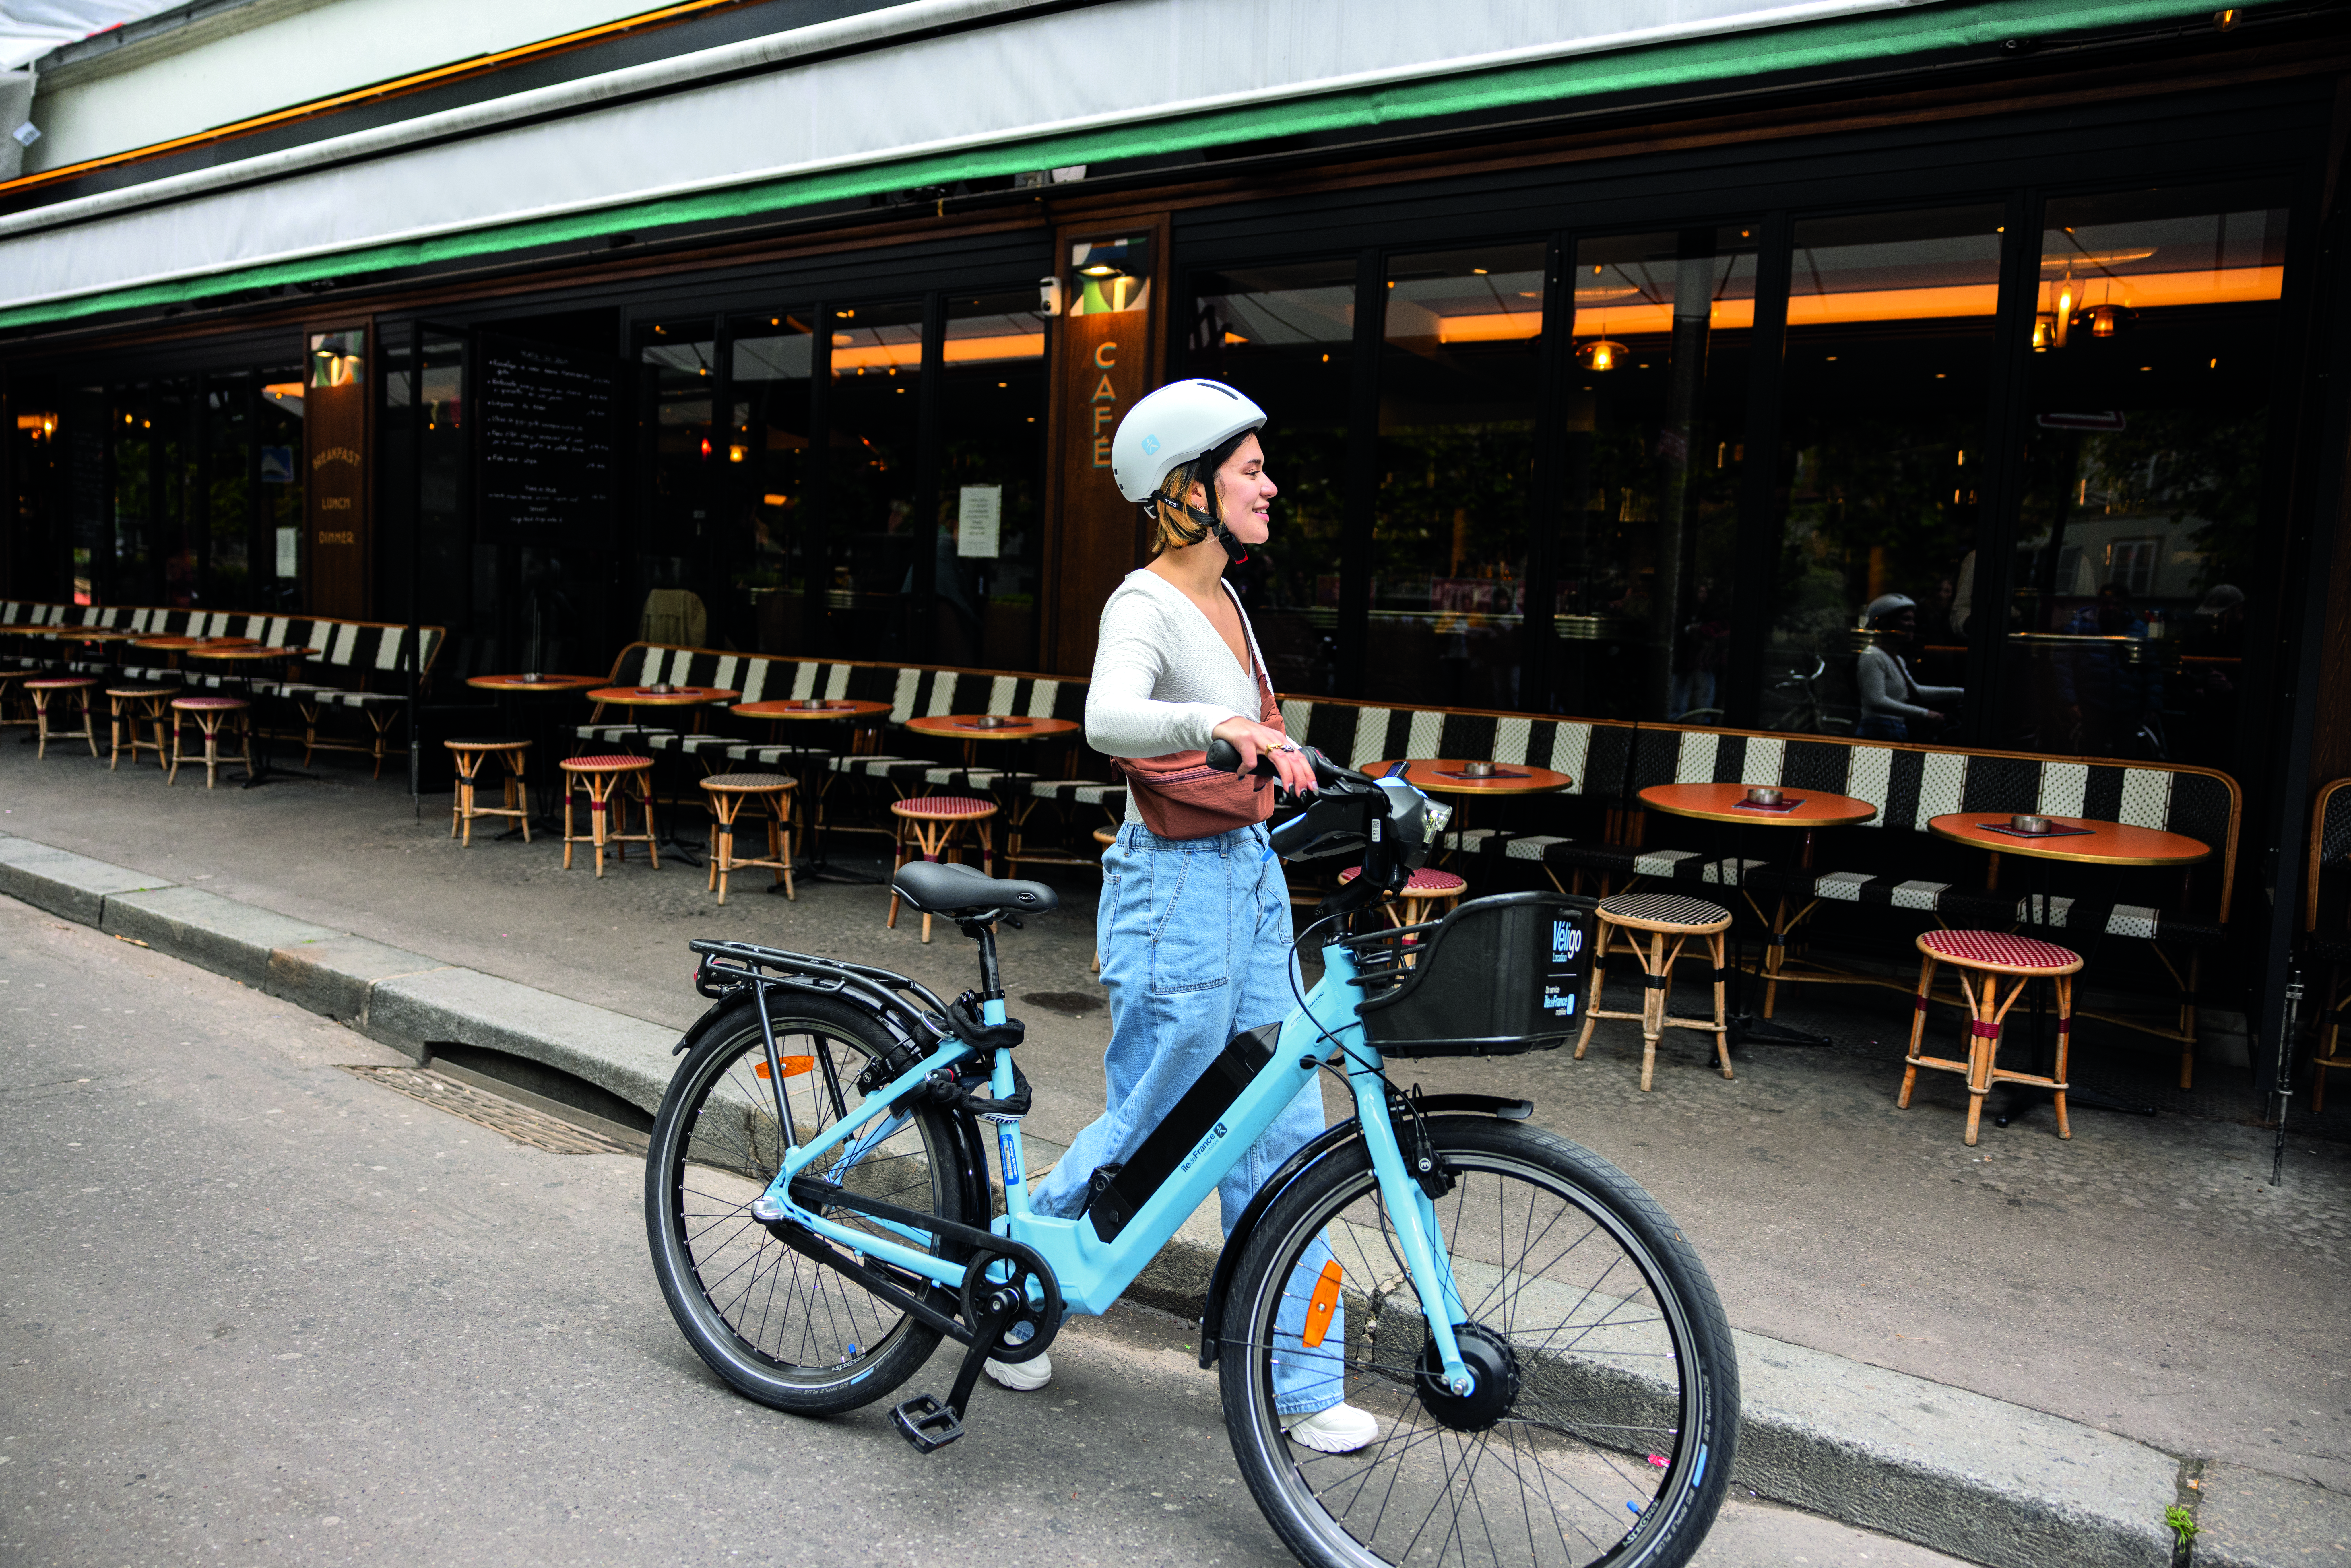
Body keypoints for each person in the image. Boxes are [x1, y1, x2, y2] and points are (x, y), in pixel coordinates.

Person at [983, 378, 1378, 1456]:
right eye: (1249, 469)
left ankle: (1298, 1380)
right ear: (1187, 489)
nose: (1269, 485)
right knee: (1160, 1120)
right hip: (1173, 887)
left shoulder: (1230, 604)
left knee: (1283, 1124)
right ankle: (1014, 1280)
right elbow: (1107, 717)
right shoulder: (1143, 602)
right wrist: (1213, 720)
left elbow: (1254, 739)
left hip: (1247, 874)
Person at [1855, 592, 1962, 742]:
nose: (1913, 625)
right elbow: (1876, 701)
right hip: (1878, 731)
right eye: (1906, 619)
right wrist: (1925, 714)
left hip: (1894, 729)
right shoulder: (1872, 656)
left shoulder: (1896, 658)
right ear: (1885, 623)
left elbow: (1913, 690)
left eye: (1913, 620)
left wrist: (1958, 693)